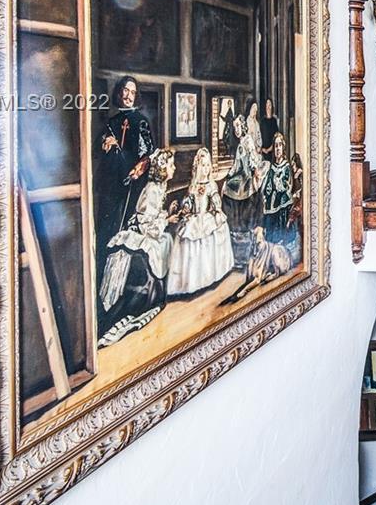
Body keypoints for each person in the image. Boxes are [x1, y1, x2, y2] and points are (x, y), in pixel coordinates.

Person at [98, 149, 176, 348]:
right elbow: (146, 225)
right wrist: (167, 219)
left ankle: (161, 292)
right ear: (161, 169)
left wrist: (167, 214)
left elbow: (154, 216)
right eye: (170, 165)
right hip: (139, 237)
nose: (173, 167)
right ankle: (149, 298)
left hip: (148, 231)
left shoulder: (159, 188)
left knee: (167, 240)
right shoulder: (151, 189)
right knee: (164, 241)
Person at [95, 76, 154, 265]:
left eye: (132, 92)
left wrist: (138, 168)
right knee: (106, 230)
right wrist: (105, 143)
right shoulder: (112, 121)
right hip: (109, 184)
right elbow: (97, 148)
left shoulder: (140, 121)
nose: (128, 96)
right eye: (125, 91)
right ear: (119, 92)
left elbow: (148, 155)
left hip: (130, 184)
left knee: (125, 229)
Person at [167, 148, 234, 298]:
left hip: (208, 217)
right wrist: (186, 207)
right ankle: (190, 282)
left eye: (207, 165)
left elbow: (216, 203)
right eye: (202, 165)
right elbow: (189, 202)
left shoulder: (211, 185)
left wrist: (215, 209)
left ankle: (210, 276)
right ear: (197, 167)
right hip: (195, 217)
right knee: (187, 235)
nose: (205, 169)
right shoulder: (193, 186)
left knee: (211, 233)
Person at [220, 100, 266, 240]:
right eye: (235, 127)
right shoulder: (240, 143)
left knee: (236, 188)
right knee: (227, 186)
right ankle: (234, 226)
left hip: (248, 176)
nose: (236, 129)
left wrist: (254, 172)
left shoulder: (248, 141)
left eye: (238, 126)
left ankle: (242, 227)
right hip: (241, 174)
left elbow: (253, 159)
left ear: (243, 126)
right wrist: (228, 175)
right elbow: (237, 165)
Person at [259, 131, 298, 247]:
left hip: (282, 204)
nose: (277, 148)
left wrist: (278, 184)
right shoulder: (271, 167)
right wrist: (265, 193)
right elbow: (267, 185)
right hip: (271, 204)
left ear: (283, 147)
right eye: (275, 146)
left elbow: (287, 186)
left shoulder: (286, 167)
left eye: (280, 145)